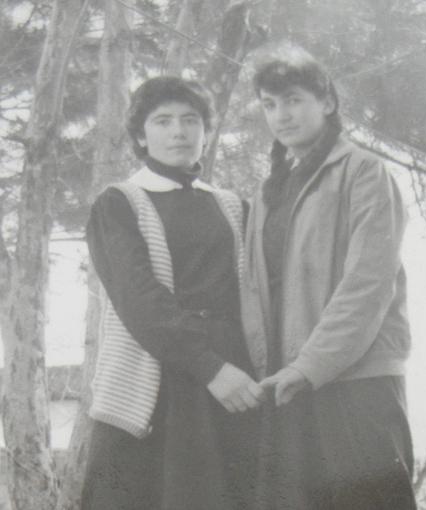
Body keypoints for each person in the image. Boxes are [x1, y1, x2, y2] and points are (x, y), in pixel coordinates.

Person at [241, 44, 417, 510]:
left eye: (293, 100)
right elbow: (256, 290)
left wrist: (309, 365)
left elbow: (368, 283)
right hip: (290, 386)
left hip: (358, 381)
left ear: (328, 102)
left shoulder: (364, 172)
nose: (282, 115)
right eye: (270, 104)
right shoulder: (268, 192)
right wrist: (272, 371)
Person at [81, 76, 264, 510]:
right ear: (141, 136)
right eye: (162, 121)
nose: (179, 131)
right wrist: (211, 369)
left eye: (190, 120)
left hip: (234, 376)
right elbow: (140, 301)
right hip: (163, 377)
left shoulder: (232, 205)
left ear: (206, 131)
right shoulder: (118, 203)